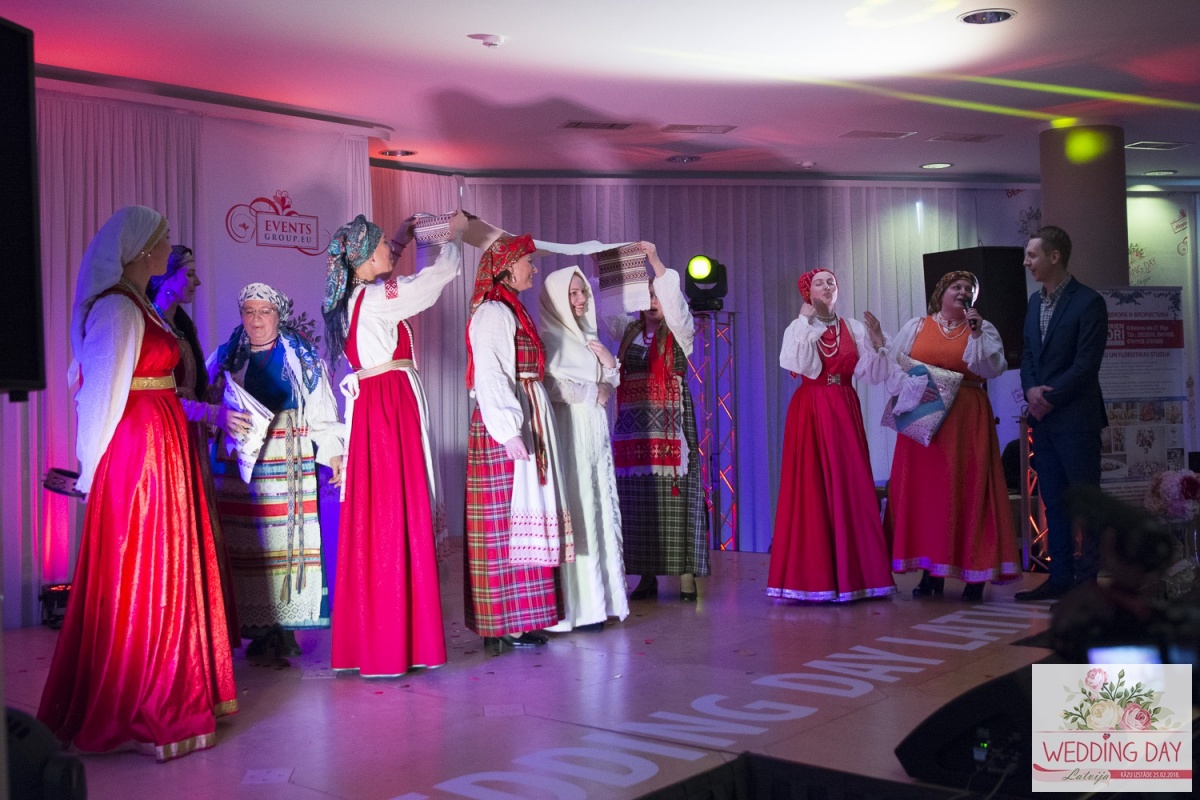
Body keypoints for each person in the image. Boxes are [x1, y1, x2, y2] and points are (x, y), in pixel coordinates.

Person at [38, 206, 237, 760]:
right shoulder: (117, 309)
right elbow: (98, 394)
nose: (167, 248)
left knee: (166, 563)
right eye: (162, 240)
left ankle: (171, 685)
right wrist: (90, 469)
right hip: (139, 454)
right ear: (141, 250)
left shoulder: (140, 305)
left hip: (160, 445)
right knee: (148, 567)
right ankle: (140, 699)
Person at [322, 211, 467, 676]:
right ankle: (397, 640)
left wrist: (402, 240)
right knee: (393, 512)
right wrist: (452, 239)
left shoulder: (356, 296)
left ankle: (390, 637)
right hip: (388, 410)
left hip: (378, 407)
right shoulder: (372, 298)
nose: (390, 251)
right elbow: (426, 285)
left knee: (383, 512)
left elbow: (390, 281)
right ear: (365, 257)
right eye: (384, 244)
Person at [208, 283, 345, 658]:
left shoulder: (300, 356)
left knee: (286, 545)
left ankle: (284, 630)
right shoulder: (226, 355)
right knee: (249, 542)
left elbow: (321, 409)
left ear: (278, 315)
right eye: (249, 312)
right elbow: (208, 401)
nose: (256, 320)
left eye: (264, 312)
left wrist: (333, 453)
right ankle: (257, 631)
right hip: (241, 466)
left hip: (287, 457)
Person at [883, 271, 1020, 601]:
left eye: (969, 289)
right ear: (941, 292)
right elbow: (894, 367)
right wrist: (913, 385)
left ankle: (975, 573)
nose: (962, 292)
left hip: (966, 419)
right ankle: (931, 572)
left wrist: (976, 334)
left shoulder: (982, 329)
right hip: (925, 416)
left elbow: (992, 370)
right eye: (956, 287)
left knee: (967, 490)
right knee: (928, 495)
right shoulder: (917, 326)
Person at [465, 234, 573, 649]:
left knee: (525, 515)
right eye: (528, 261)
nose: (533, 268)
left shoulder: (512, 308)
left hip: (525, 415)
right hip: (505, 425)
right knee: (504, 521)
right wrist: (508, 430)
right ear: (508, 267)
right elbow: (490, 372)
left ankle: (525, 616)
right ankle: (505, 622)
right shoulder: (493, 311)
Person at [767, 269, 896, 602]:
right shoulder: (798, 327)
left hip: (844, 406)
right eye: (819, 283)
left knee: (851, 484)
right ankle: (814, 577)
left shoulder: (852, 328)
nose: (827, 287)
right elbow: (798, 364)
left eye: (831, 282)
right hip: (811, 409)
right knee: (811, 487)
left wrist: (878, 341)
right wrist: (805, 323)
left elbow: (873, 374)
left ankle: (858, 577)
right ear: (807, 292)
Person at [147, 245, 248, 646]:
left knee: (199, 526)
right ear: (164, 277)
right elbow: (158, 398)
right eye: (188, 274)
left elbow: (192, 388)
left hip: (189, 438)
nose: (197, 281)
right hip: (165, 439)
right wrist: (211, 413)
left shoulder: (180, 327)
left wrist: (219, 391)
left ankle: (201, 631)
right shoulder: (150, 327)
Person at [608, 243, 709, 602]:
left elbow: (675, 303)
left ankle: (686, 575)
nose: (652, 301)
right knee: (639, 501)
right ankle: (646, 575)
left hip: (670, 424)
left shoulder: (680, 330)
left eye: (657, 295)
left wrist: (653, 260)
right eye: (647, 295)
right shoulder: (629, 330)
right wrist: (614, 266)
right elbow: (608, 308)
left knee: (676, 496)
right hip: (634, 429)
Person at [1015, 226, 1108, 601]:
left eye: (1032, 255)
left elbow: (1086, 364)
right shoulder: (1034, 302)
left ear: (1054, 257)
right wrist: (1030, 390)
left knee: (1086, 503)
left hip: (1076, 419)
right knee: (1053, 501)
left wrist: (1048, 397)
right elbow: (1027, 355)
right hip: (1045, 420)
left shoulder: (1089, 302)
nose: (1026, 262)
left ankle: (1087, 582)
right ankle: (1060, 578)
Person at [539, 266, 629, 631]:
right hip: (570, 429)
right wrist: (595, 390)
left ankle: (600, 602)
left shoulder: (588, 334)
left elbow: (607, 382)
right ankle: (577, 608)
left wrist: (608, 365)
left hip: (593, 432)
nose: (580, 300)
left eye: (583, 293)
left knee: (599, 507)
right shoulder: (549, 337)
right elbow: (550, 386)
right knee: (578, 508)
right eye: (572, 294)